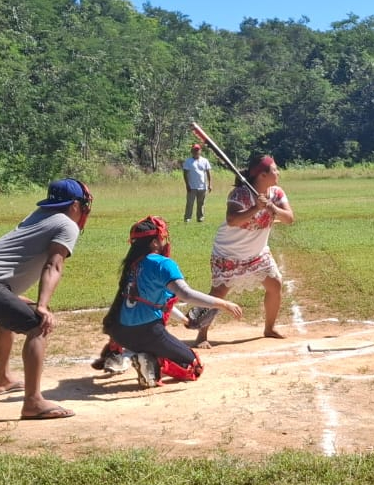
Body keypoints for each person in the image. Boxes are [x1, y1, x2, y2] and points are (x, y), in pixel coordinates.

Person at [0, 178, 92, 420]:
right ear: (75, 206)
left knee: (15, 311)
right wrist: (44, 306)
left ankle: (3, 379)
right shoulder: (67, 224)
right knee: (38, 324)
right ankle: (33, 402)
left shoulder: (39, 215)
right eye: (84, 205)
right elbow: (54, 265)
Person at [103, 216, 243, 389]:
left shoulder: (132, 264)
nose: (164, 241)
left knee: (149, 338)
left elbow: (153, 302)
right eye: (161, 238)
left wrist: (184, 320)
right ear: (154, 243)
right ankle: (149, 361)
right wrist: (223, 304)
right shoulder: (163, 264)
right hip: (147, 332)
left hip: (121, 333)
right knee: (194, 367)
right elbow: (185, 294)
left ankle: (136, 354)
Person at [191, 153, 295, 348]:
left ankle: (269, 328)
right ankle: (201, 334)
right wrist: (256, 208)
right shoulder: (239, 194)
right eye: (274, 169)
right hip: (229, 253)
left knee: (275, 285)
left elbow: (289, 218)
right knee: (219, 293)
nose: (278, 172)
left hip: (257, 253)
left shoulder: (276, 193)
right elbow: (232, 220)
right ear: (262, 175)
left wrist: (272, 207)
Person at [182, 130, 213, 222]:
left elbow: (208, 172)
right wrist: (187, 185)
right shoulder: (188, 161)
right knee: (190, 203)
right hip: (192, 186)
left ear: (200, 151)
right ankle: (187, 218)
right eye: (194, 150)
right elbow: (185, 174)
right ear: (192, 151)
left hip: (202, 186)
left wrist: (210, 184)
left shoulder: (205, 161)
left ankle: (200, 218)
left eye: (197, 150)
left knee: (201, 203)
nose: (196, 151)